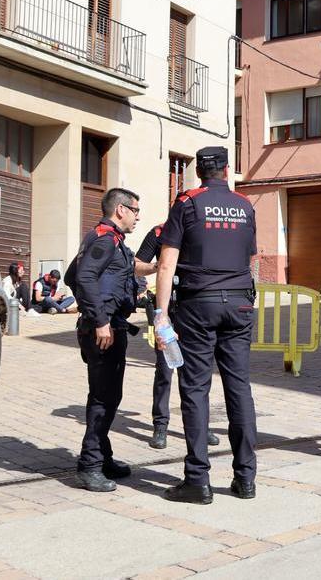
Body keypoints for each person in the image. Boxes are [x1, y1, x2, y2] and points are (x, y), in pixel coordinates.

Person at [154, 146, 258, 504]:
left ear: (199, 171)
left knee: (195, 389)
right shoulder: (245, 206)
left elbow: (166, 265)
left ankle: (197, 481)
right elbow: (249, 257)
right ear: (227, 170)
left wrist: (161, 314)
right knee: (239, 389)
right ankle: (246, 479)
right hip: (240, 304)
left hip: (199, 305)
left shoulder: (186, 202)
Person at [72, 188, 141, 492]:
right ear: (120, 210)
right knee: (104, 399)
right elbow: (83, 277)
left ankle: (103, 457)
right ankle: (89, 466)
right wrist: (100, 320)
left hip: (108, 327)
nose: (138, 216)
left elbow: (71, 276)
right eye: (135, 210)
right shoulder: (105, 239)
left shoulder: (101, 238)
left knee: (106, 397)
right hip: (104, 331)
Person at [135, 221, 219, 450]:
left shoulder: (203, 231)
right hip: (166, 313)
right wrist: (157, 266)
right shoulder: (159, 232)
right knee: (164, 369)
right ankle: (160, 425)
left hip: (196, 310)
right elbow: (137, 265)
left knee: (196, 373)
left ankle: (201, 426)